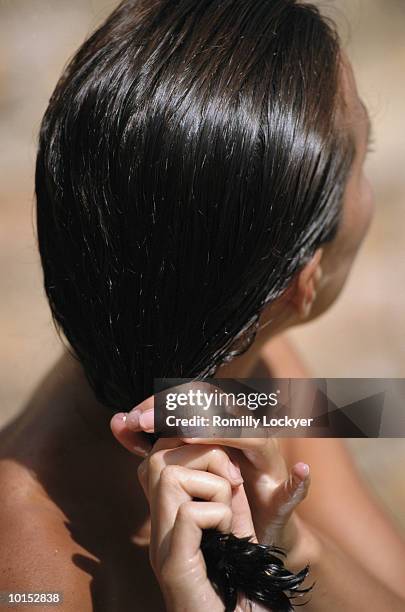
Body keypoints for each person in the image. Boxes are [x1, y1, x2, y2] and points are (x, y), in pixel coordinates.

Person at [1, 0, 405, 610]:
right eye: (363, 160)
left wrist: (291, 548)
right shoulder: (30, 576)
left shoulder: (245, 369)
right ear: (304, 280)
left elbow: (367, 410)